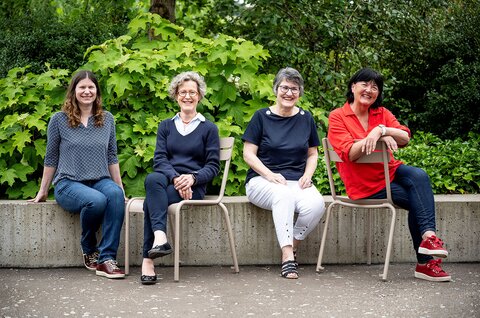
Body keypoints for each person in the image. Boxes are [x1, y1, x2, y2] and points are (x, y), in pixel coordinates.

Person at [328, 67, 451, 282]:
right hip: (365, 187)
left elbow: (404, 137)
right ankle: (425, 264)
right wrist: (375, 138)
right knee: (417, 201)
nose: (369, 90)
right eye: (364, 84)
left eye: (375, 87)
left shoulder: (381, 113)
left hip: (391, 173)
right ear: (353, 87)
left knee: (419, 175)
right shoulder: (338, 116)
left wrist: (381, 130)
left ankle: (429, 238)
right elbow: (349, 153)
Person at [29, 70, 126, 279]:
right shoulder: (58, 120)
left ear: (97, 92)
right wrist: (43, 190)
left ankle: (107, 259)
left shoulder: (106, 119)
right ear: (73, 91)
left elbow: (112, 156)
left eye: (91, 87)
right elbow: (51, 157)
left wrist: (119, 186)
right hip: (68, 183)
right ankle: (89, 246)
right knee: (97, 201)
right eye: (82, 87)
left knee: (115, 195)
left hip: (100, 179)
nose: (87, 91)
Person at [242, 67, 326, 279]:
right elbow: (248, 154)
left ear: (300, 93)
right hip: (262, 182)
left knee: (316, 205)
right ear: (276, 89)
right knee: (283, 194)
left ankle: (293, 244)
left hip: (296, 181)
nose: (289, 93)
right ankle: (288, 256)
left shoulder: (306, 118)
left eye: (294, 89)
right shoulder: (261, 117)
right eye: (285, 88)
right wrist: (269, 175)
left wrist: (308, 175)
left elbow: (312, 154)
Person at [140, 71, 220, 285]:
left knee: (152, 201)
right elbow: (160, 159)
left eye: (192, 92)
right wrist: (177, 178)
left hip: (195, 186)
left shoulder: (209, 128)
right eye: (182, 92)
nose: (187, 96)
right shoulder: (166, 126)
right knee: (152, 180)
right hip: (169, 181)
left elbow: (213, 167)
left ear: (199, 96)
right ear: (175, 95)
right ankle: (159, 236)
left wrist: (192, 178)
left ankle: (148, 260)